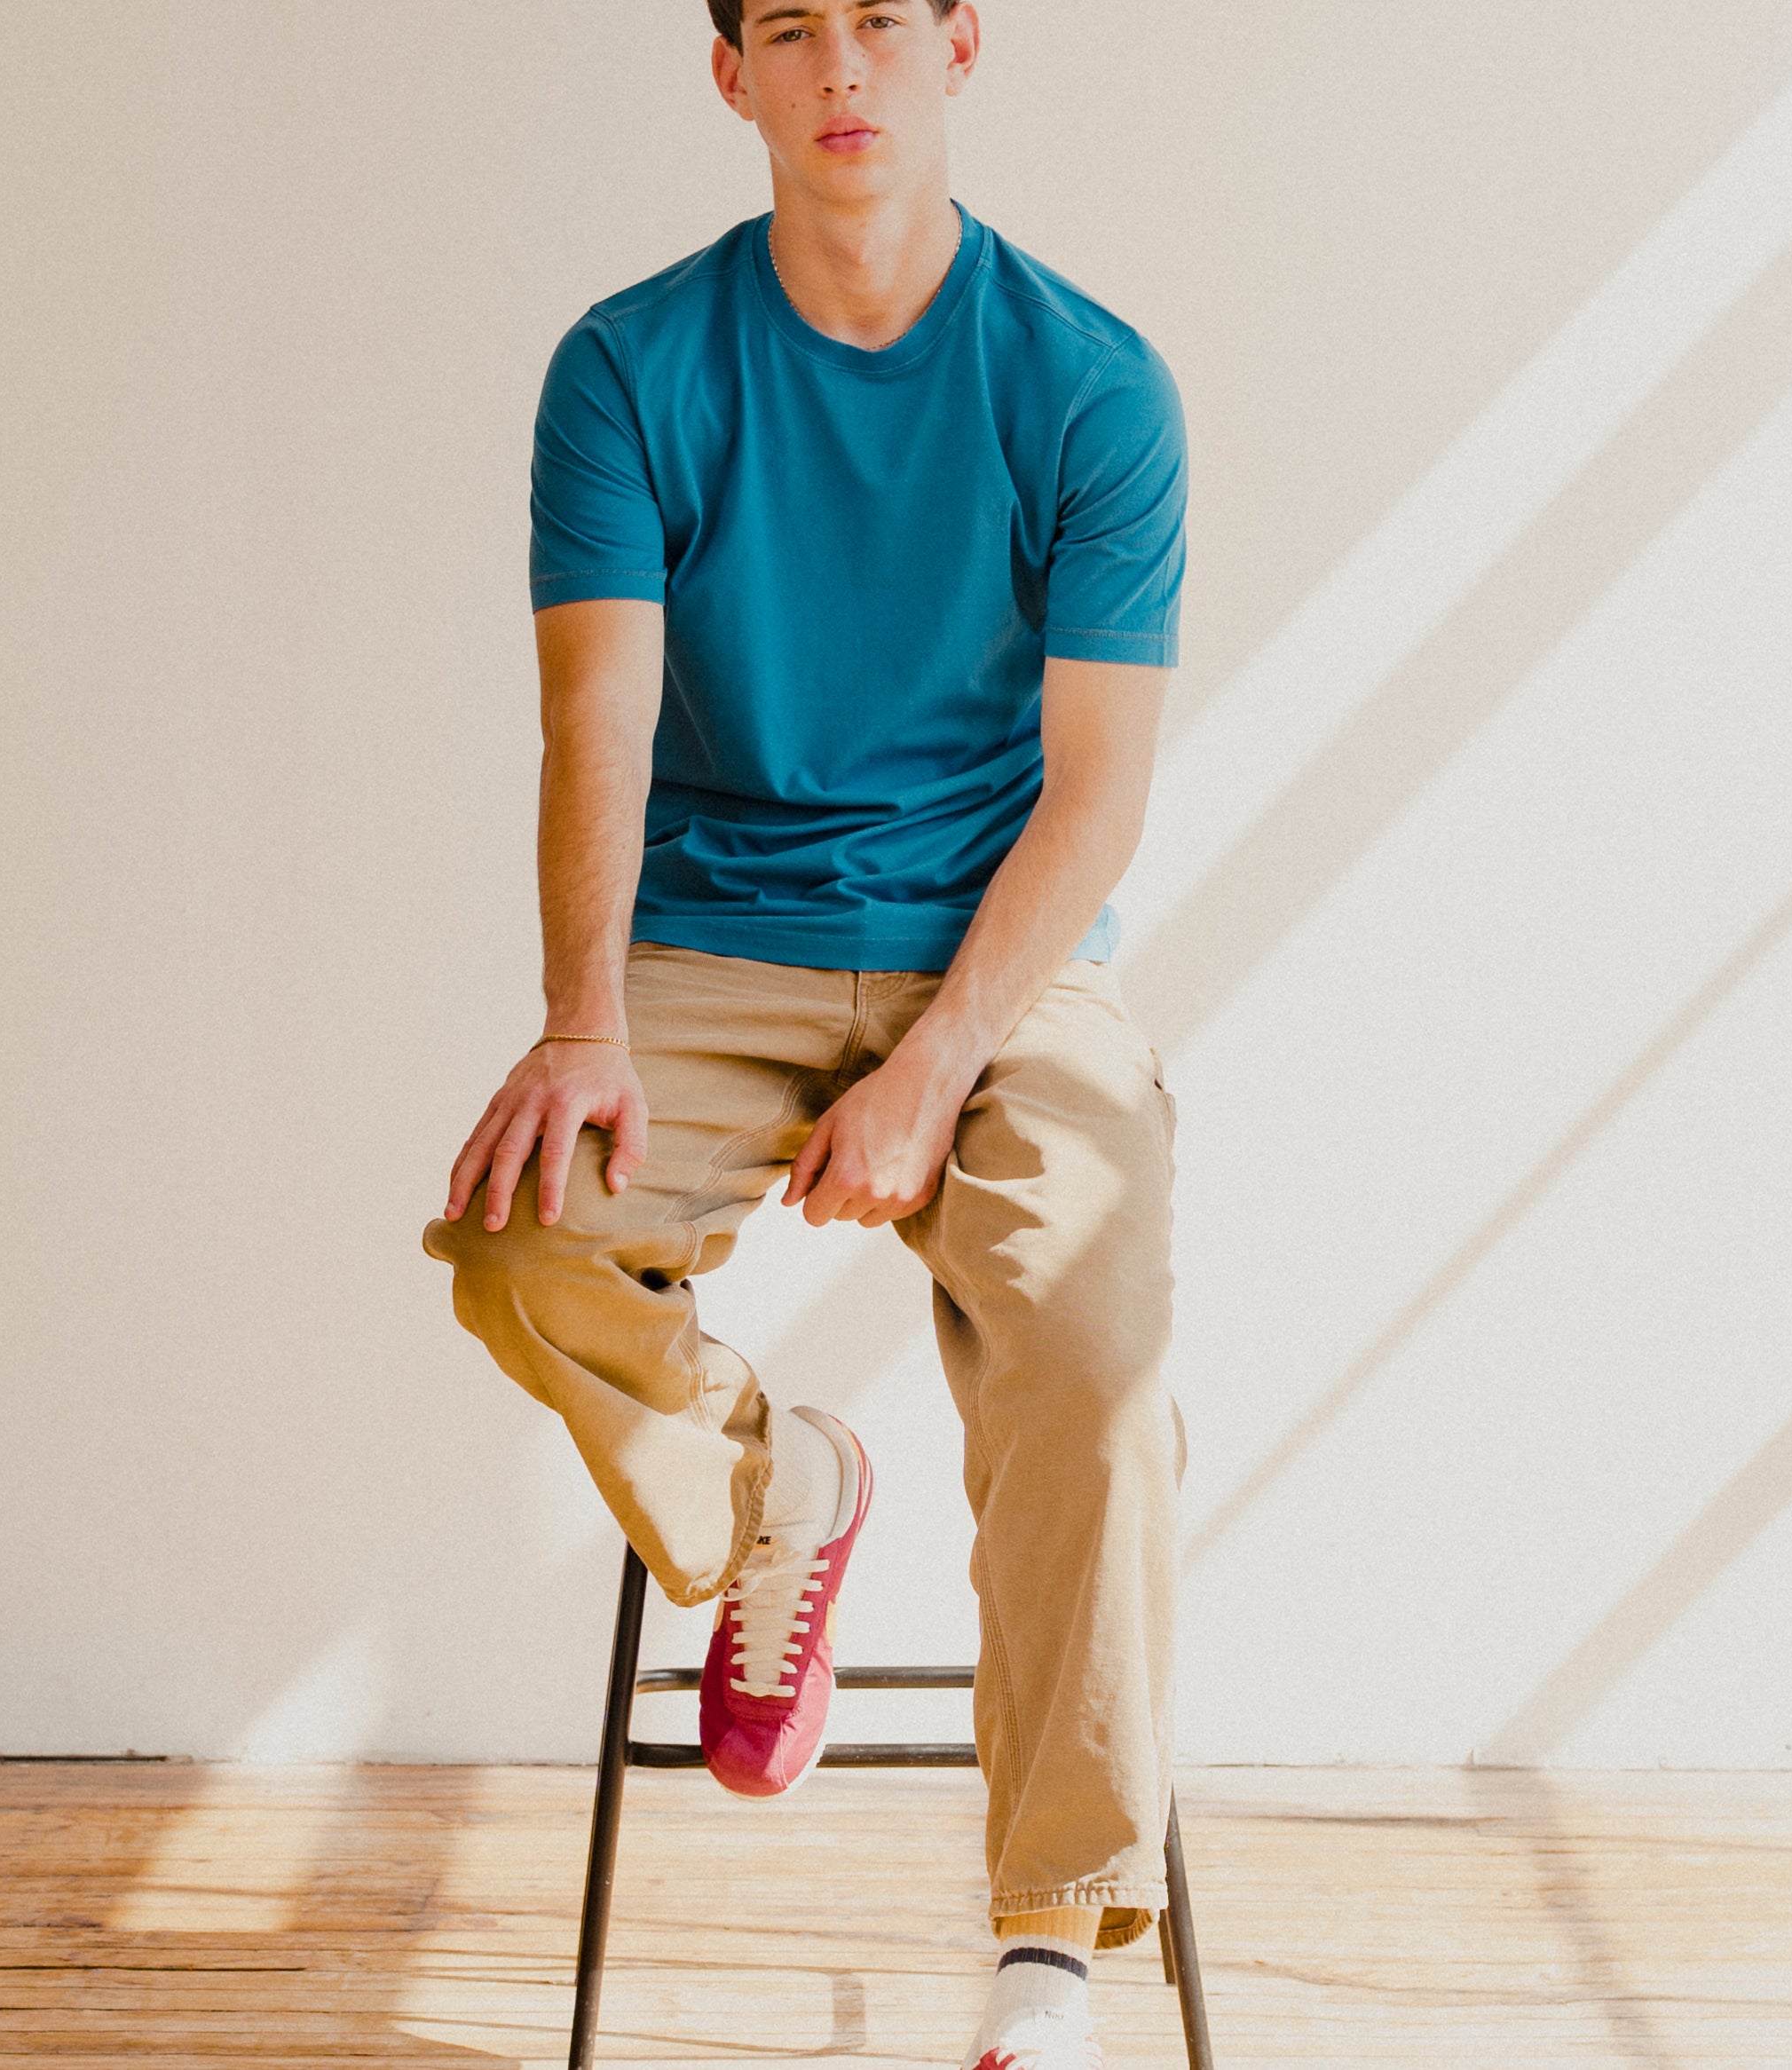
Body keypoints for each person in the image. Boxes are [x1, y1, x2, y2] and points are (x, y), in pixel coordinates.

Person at [423, 4, 1188, 2066]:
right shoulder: (628, 371)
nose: (837, 64)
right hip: (716, 937)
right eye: (788, 29)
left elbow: (1094, 792)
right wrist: (580, 1017)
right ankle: (783, 1480)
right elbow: (593, 716)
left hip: (1002, 968)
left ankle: (1049, 1923)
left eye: (877, 21)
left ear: (956, 47)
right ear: (730, 75)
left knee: (1091, 1355)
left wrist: (941, 1055)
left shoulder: (1089, 383)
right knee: (517, 1233)